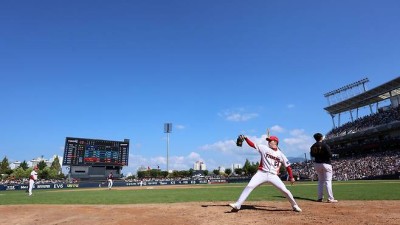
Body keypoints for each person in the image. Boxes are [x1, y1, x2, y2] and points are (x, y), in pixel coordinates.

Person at [229, 134, 302, 212]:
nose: (269, 142)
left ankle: (295, 205)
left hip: (273, 175)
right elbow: (252, 145)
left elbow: (288, 166)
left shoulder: (281, 154)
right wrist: (246, 138)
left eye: (270, 140)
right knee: (250, 186)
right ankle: (238, 205)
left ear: (275, 142)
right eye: (268, 141)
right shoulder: (264, 148)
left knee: (285, 190)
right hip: (261, 173)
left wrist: (291, 177)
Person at [310, 133, 338, 203]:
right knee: (328, 181)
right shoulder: (325, 145)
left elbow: (312, 155)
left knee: (320, 181)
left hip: (317, 164)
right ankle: (330, 198)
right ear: (321, 137)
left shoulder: (313, 146)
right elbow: (330, 154)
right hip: (326, 163)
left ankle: (320, 198)